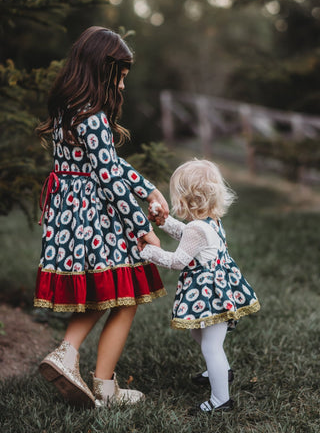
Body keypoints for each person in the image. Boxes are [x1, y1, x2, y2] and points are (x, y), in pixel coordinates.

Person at [34, 26, 169, 408]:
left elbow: (108, 162)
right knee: (123, 294)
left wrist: (147, 188)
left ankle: (70, 355)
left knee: (107, 289)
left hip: (70, 214)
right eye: (120, 77)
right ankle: (100, 382)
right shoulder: (92, 116)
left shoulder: (69, 109)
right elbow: (107, 176)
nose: (123, 87)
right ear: (102, 69)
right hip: (93, 216)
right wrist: (143, 231)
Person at [139, 159, 260, 414]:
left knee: (210, 345)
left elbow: (177, 261)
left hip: (210, 295)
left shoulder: (197, 227)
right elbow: (188, 236)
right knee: (201, 335)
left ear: (185, 199)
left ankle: (220, 401)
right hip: (219, 289)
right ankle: (220, 370)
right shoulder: (210, 221)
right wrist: (164, 222)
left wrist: (148, 252)